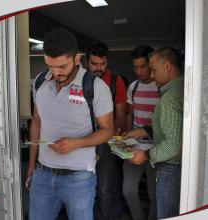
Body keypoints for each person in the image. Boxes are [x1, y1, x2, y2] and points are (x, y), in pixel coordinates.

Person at [25, 28, 114, 220]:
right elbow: (36, 123)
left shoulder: (96, 87)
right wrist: (31, 165)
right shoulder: (40, 82)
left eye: (62, 66)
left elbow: (108, 130)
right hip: (42, 173)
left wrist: (76, 143)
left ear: (76, 58)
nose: (56, 73)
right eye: (50, 66)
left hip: (79, 177)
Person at [124, 47, 184, 219]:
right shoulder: (179, 89)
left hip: (170, 167)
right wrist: (141, 131)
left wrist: (146, 155)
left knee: (164, 211)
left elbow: (174, 144)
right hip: (170, 164)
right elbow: (168, 127)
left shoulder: (169, 98)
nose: (151, 75)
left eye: (153, 69)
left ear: (167, 66)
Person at [86, 40, 127, 220]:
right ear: (86, 62)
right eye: (94, 64)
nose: (98, 68)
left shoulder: (116, 82)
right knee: (84, 188)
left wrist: (112, 138)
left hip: (107, 142)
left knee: (104, 188)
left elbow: (120, 115)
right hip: (82, 141)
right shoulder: (79, 81)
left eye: (102, 64)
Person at [123, 45, 159, 220]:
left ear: (151, 64)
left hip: (156, 150)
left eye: (143, 67)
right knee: (128, 190)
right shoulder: (133, 87)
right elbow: (131, 113)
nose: (138, 71)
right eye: (135, 67)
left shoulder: (161, 86)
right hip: (134, 146)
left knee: (155, 196)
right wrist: (127, 135)